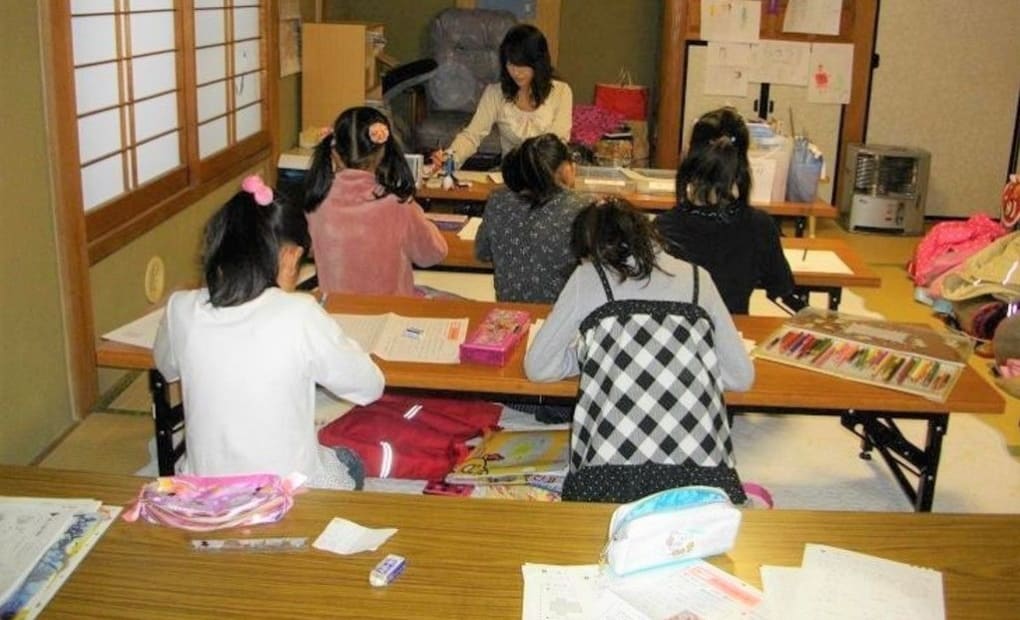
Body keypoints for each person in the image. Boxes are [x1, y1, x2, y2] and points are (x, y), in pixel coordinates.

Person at [153, 175, 385, 490]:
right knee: (350, 461)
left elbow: (166, 367)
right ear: (290, 256)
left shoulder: (181, 307)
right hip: (285, 495)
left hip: (205, 492)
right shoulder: (300, 313)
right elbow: (370, 386)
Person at [525, 198, 754, 504]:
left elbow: (539, 367)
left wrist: (594, 355)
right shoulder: (699, 278)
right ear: (648, 231)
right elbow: (741, 377)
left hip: (609, 477)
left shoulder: (588, 277)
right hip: (702, 477)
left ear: (589, 248)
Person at [655, 107, 806, 315]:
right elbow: (782, 289)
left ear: (689, 155)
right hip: (735, 331)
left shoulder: (663, 228)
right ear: (741, 163)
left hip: (680, 333)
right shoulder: (759, 226)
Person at [304, 106, 448, 296]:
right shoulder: (398, 204)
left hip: (334, 310)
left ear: (334, 153)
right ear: (384, 152)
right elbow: (433, 254)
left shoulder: (316, 203)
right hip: (391, 311)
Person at [431, 23, 573, 170]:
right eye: (510, 64)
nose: (516, 72)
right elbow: (472, 135)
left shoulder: (561, 92)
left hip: (548, 173)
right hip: (510, 174)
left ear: (538, 63)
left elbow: (558, 143)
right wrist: (449, 158)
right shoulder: (495, 93)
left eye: (522, 65)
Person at [475, 133, 588, 303]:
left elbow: (482, 253)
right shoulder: (583, 206)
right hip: (564, 313)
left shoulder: (498, 200)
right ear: (564, 168)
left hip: (511, 313)